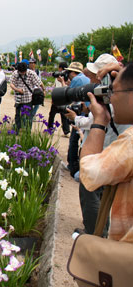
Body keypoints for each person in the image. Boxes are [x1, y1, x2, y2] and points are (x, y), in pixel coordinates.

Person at [80, 62, 133, 242]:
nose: (110, 98)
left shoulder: (131, 142)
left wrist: (99, 120)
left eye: (113, 91)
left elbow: (89, 175)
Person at [62, 62, 91, 178]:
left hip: (80, 113)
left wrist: (64, 84)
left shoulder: (77, 79)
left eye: (69, 72)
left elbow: (68, 96)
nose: (67, 74)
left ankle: (72, 165)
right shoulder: (87, 79)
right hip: (88, 111)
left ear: (74, 72)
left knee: (74, 138)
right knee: (84, 139)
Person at [9, 62, 44, 131]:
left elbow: (39, 83)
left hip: (28, 99)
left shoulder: (31, 74)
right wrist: (17, 89)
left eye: (23, 72)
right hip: (18, 99)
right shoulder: (15, 73)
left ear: (26, 69)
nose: (22, 73)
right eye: (20, 72)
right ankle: (17, 130)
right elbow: (11, 84)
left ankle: (28, 131)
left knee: (28, 116)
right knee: (18, 115)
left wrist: (44, 90)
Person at [48, 62, 70, 135]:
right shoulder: (62, 76)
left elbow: (57, 87)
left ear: (60, 68)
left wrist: (52, 97)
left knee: (52, 114)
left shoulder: (62, 76)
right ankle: (66, 131)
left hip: (58, 96)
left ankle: (50, 129)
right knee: (63, 115)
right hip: (62, 97)